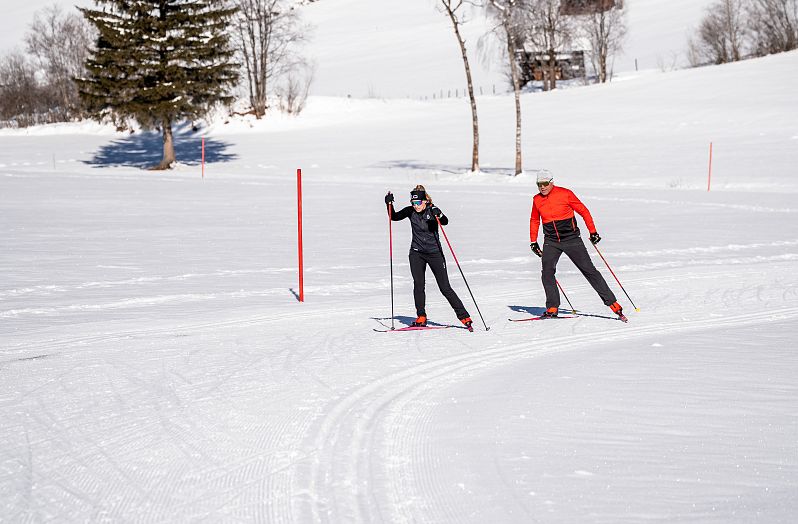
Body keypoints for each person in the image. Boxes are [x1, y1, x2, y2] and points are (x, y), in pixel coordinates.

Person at [529, 170, 625, 320]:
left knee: (589, 270)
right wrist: (533, 241)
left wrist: (593, 232)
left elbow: (584, 211)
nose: (542, 187)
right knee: (547, 272)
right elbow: (535, 220)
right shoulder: (536, 199)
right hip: (551, 241)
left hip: (572, 239)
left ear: (552, 182)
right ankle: (552, 307)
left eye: (545, 184)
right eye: (539, 184)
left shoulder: (565, 193)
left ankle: (613, 304)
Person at [385, 185, 473, 330]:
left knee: (445, 287)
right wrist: (389, 204)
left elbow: (445, 222)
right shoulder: (410, 211)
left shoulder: (432, 210)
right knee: (418, 284)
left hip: (434, 253)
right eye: (413, 203)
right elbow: (394, 217)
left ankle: (464, 317)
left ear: (425, 201)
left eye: (418, 203)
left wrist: (440, 214)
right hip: (416, 253)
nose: (416, 206)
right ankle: (421, 316)